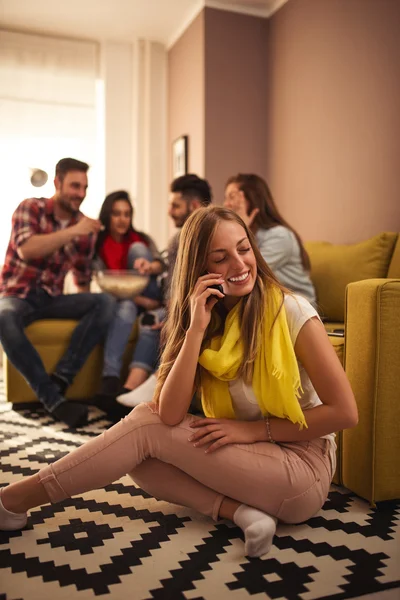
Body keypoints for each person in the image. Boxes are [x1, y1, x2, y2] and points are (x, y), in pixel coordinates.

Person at [0, 206, 358, 559]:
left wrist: (250, 431)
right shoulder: (205, 319)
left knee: (141, 432)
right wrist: (195, 329)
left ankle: (14, 500)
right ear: (201, 268)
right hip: (253, 459)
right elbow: (169, 413)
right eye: (220, 258)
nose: (239, 265)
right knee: (141, 456)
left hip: (302, 470)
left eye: (244, 249)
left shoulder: (292, 311)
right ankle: (243, 512)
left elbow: (345, 413)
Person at [0, 158, 116, 428]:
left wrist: (93, 312)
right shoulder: (30, 207)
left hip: (52, 299)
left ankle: (62, 378)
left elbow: (82, 277)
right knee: (3, 317)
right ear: (57, 183)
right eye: (75, 185)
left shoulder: (86, 230)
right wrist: (75, 230)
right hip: (17, 294)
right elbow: (28, 249)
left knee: (105, 302)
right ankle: (53, 400)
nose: (80, 193)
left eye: (85, 187)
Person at [116, 173, 213, 408]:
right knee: (151, 316)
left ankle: (142, 386)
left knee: (155, 320)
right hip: (178, 297)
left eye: (175, 205)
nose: (170, 211)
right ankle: (132, 388)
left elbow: (178, 283)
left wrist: (172, 315)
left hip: (192, 302)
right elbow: (170, 266)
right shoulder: (199, 232)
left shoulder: (188, 236)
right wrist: (153, 266)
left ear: (192, 206)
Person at [93, 190, 166, 408]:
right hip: (130, 301)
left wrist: (149, 266)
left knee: (137, 249)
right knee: (124, 306)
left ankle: (115, 384)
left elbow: (162, 264)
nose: (122, 219)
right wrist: (141, 302)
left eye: (127, 214)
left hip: (151, 290)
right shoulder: (97, 246)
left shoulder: (141, 240)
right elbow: (103, 283)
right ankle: (111, 380)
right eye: (117, 213)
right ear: (107, 215)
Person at [224, 174, 316, 305]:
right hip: (269, 302)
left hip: (297, 307)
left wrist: (242, 228)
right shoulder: (255, 234)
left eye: (232, 197)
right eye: (225, 198)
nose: (226, 204)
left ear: (253, 200)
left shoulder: (279, 235)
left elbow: (252, 273)